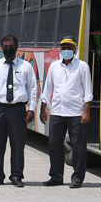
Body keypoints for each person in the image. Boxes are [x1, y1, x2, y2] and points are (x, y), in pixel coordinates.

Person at [0, 34, 37, 187]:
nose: (8, 49)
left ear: (17, 47)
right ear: (1, 48)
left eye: (11, 47)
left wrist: (31, 109)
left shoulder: (26, 66)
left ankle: (16, 176)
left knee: (18, 145)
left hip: (17, 110)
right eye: (5, 47)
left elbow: (32, 89)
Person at [39, 36, 93, 188]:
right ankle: (56, 176)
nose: (66, 50)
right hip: (57, 111)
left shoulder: (82, 66)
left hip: (76, 112)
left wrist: (86, 111)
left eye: (69, 48)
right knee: (54, 145)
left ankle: (77, 178)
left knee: (78, 147)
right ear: (60, 50)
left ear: (75, 50)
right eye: (64, 48)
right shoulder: (54, 66)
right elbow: (48, 88)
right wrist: (43, 108)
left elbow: (88, 91)